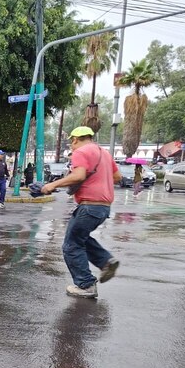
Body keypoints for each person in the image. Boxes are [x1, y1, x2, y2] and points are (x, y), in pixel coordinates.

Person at [41, 126, 121, 299]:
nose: (72, 145)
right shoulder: (104, 153)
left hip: (89, 205)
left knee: (71, 245)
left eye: (72, 142)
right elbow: (117, 177)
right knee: (80, 238)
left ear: (75, 139)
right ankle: (106, 261)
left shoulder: (81, 152)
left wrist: (52, 185)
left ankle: (85, 285)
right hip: (103, 207)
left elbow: (78, 175)